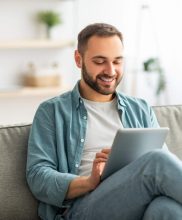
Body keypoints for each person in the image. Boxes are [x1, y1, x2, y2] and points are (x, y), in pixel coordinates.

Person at [26, 23, 182, 220]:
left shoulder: (140, 108)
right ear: (78, 59)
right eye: (100, 61)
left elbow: (167, 174)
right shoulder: (52, 111)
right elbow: (38, 177)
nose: (110, 71)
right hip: (82, 208)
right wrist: (89, 181)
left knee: (166, 208)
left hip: (138, 201)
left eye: (117, 61)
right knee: (156, 160)